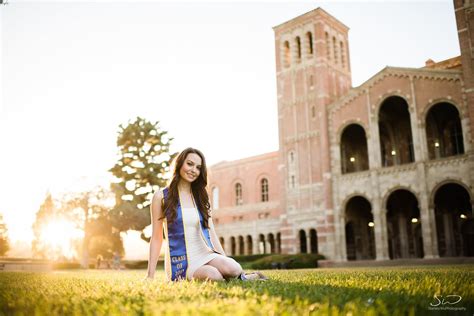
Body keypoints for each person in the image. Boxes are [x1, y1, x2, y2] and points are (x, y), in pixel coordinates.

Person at [146, 147, 267, 282]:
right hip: (181, 261)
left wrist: (224, 260)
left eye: (198, 167)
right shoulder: (161, 197)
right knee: (213, 275)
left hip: (205, 253)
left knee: (233, 268)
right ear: (180, 164)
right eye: (190, 164)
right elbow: (156, 238)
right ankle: (246, 279)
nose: (194, 170)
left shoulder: (201, 197)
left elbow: (211, 232)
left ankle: (242, 276)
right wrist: (150, 275)